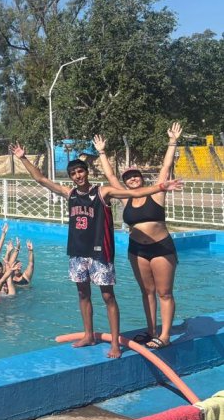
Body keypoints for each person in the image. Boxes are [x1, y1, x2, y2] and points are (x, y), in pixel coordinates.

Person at [12, 142, 182, 358]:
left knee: (108, 296)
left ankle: (115, 344)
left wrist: (160, 187)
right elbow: (41, 179)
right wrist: (23, 158)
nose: (77, 176)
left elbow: (135, 191)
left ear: (87, 172)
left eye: (80, 171)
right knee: (83, 294)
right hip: (77, 253)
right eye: (73, 173)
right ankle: (89, 334)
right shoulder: (69, 193)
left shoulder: (103, 192)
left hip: (100, 253)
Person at [95, 127, 181, 350]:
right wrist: (102, 153)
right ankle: (151, 330)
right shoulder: (126, 199)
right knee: (147, 292)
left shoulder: (156, 193)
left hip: (161, 247)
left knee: (164, 292)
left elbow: (165, 167)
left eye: (135, 176)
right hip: (137, 250)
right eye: (128, 177)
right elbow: (110, 177)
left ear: (142, 178)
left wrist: (172, 142)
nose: (131, 179)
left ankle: (165, 335)